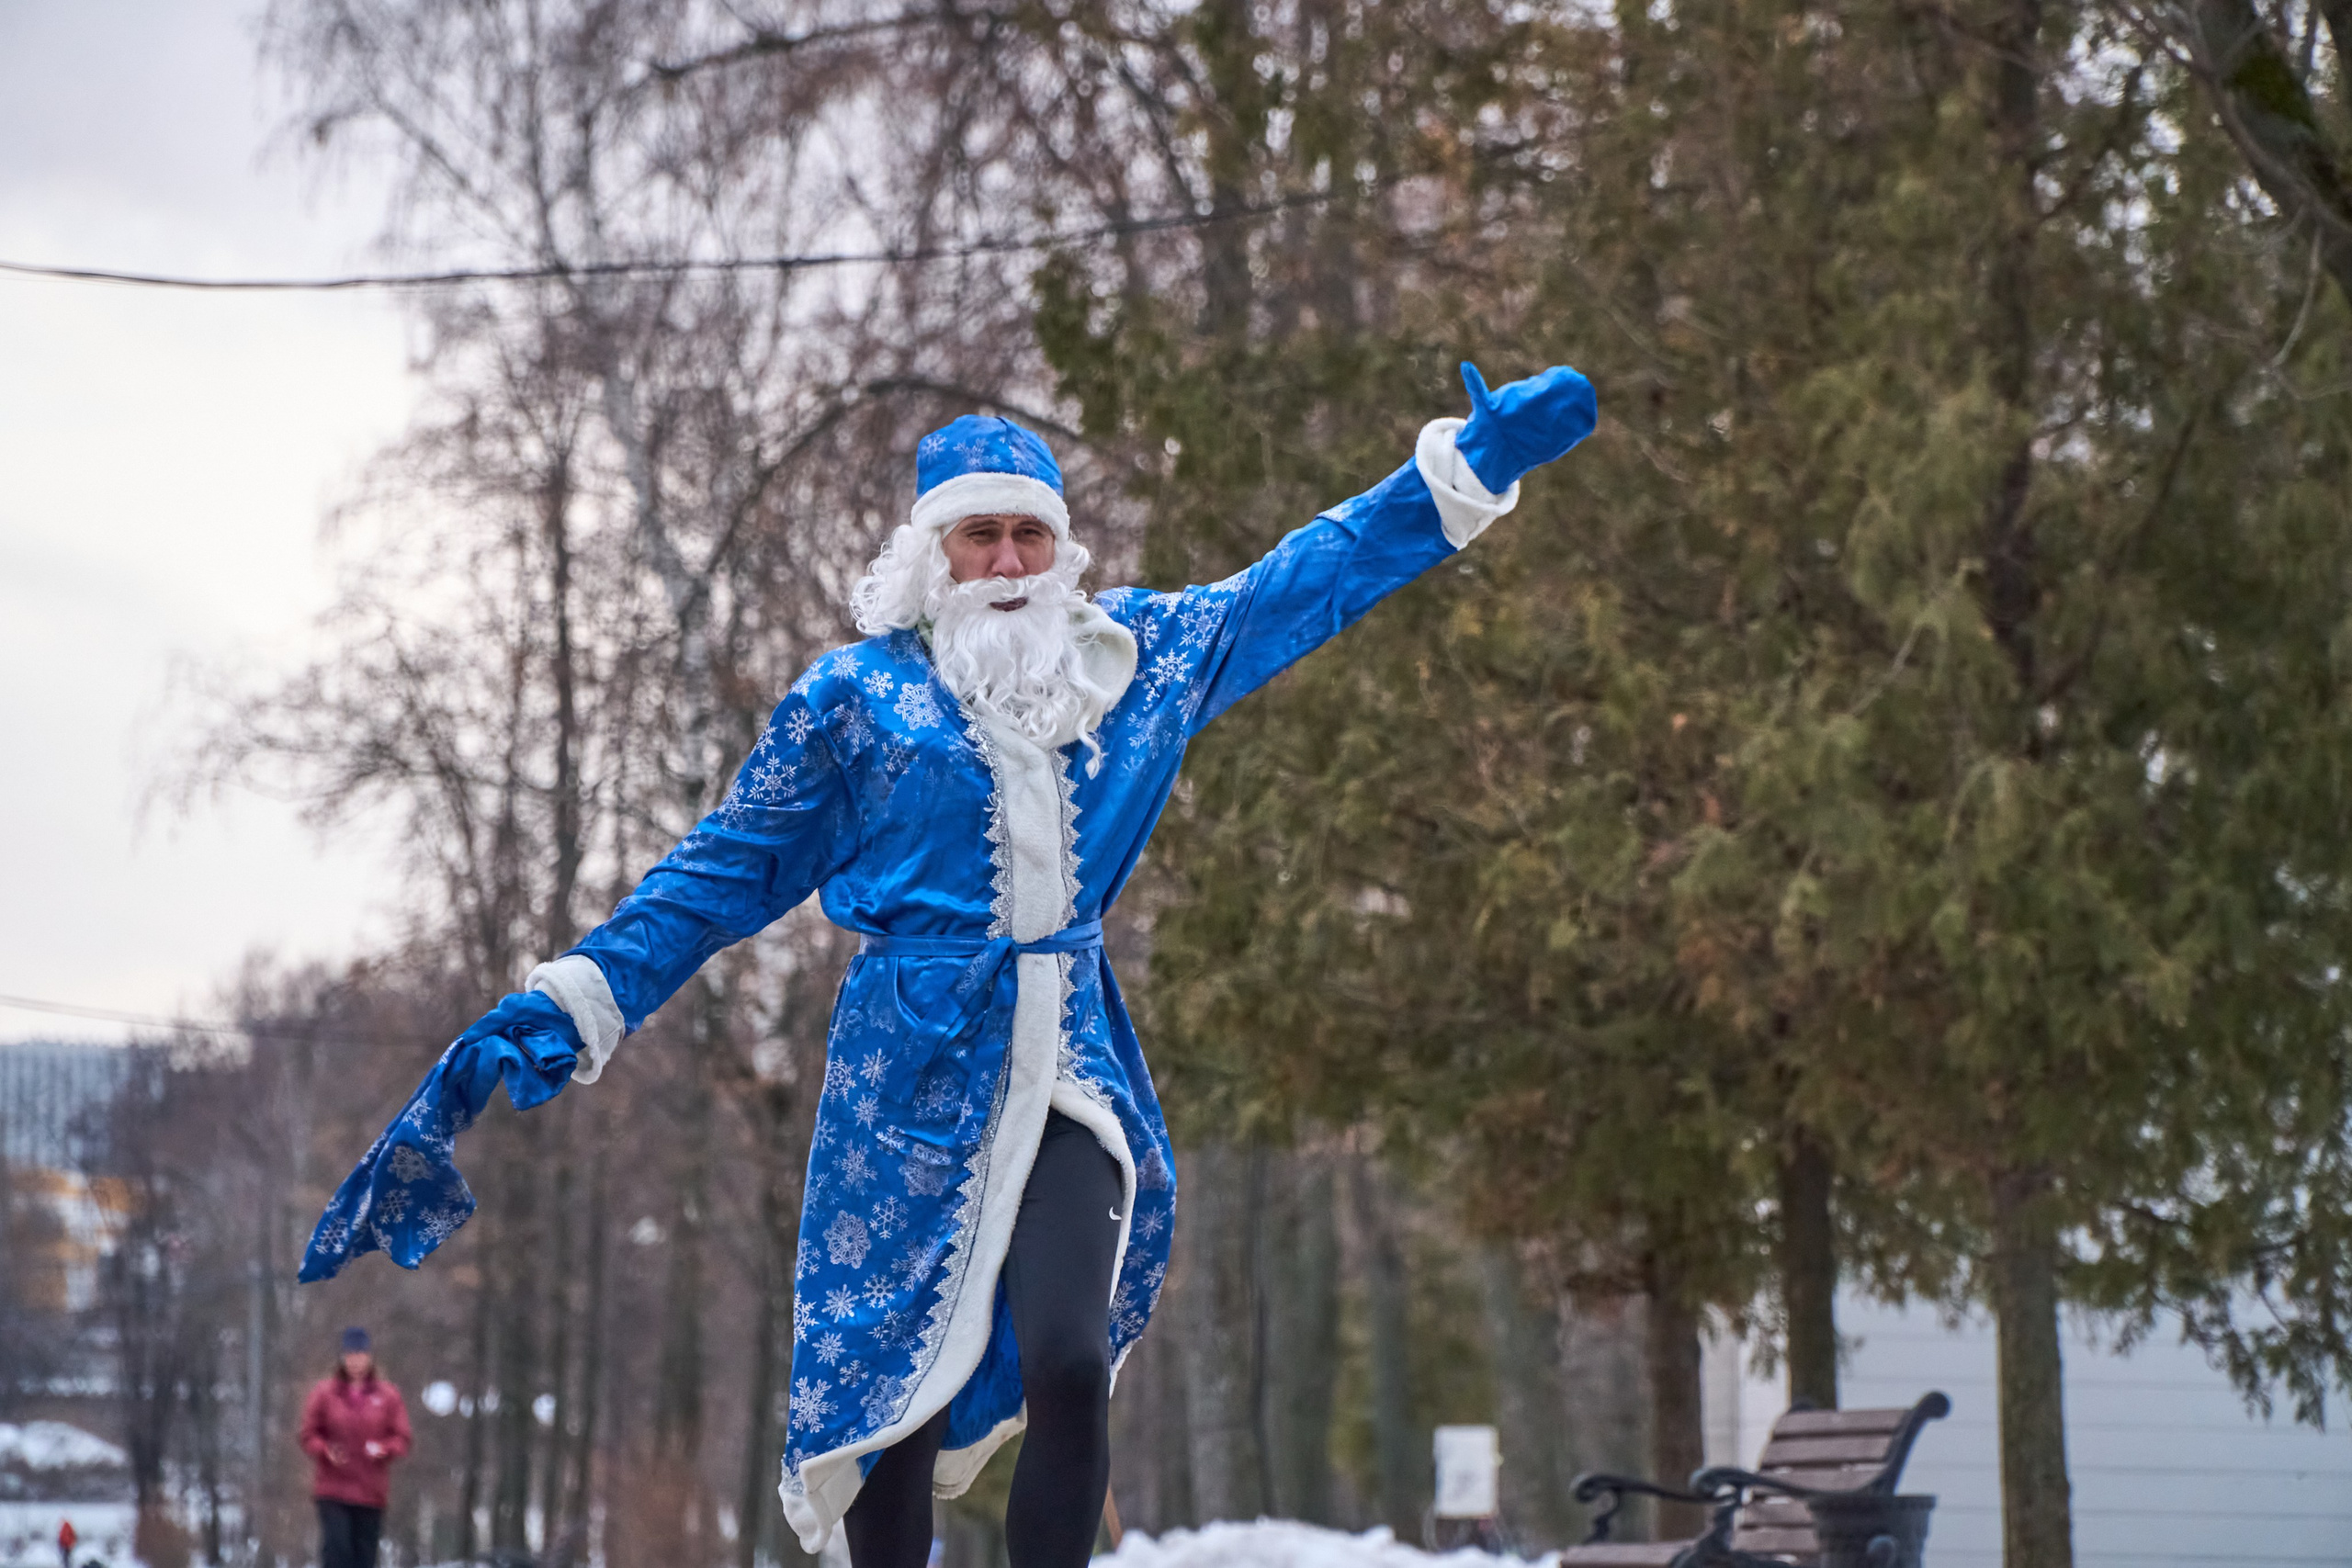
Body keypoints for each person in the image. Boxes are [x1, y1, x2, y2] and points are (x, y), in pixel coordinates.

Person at [299, 361, 1596, 1564]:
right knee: (892, 1407)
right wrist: (575, 995)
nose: (1010, 561)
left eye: (1031, 534)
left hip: (1072, 1056)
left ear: (1062, 545)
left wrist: (1457, 474)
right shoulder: (855, 702)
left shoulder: (1132, 664)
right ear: (934, 554)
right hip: (904, 1074)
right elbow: (719, 874)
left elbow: (1301, 579)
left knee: (1071, 1356)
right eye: (982, 536)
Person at [299, 1327, 412, 1568]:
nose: (355, 1361)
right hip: (333, 1488)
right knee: (337, 1550)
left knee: (364, 1556)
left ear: (369, 1357)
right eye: (350, 1355)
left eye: (360, 1355)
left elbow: (402, 1438)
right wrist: (325, 1450)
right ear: (342, 1358)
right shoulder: (324, 1393)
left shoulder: (388, 1396)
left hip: (371, 1491)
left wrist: (383, 1448)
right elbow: (308, 1434)